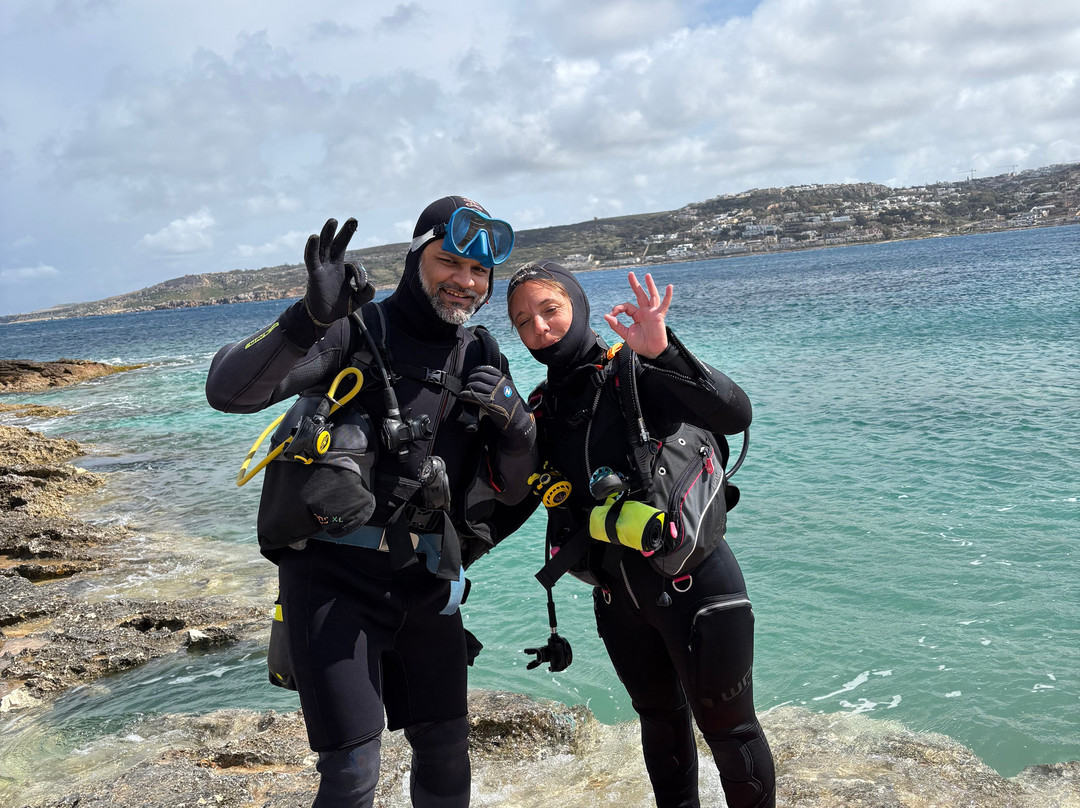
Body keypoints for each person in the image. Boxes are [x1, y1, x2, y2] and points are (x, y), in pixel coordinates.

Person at [205, 196, 537, 807]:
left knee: (446, 749)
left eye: (479, 272)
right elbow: (228, 391)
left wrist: (520, 432)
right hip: (333, 582)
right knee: (353, 770)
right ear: (416, 260)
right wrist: (307, 317)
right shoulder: (355, 330)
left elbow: (514, 490)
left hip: (427, 581)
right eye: (449, 262)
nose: (465, 281)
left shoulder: (482, 354)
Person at [506, 261, 775, 808]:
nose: (539, 328)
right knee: (659, 723)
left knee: (729, 731)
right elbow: (515, 502)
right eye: (523, 321)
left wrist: (664, 351)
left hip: (695, 587)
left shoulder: (634, 372)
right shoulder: (543, 409)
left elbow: (734, 412)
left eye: (549, 310)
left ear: (578, 307)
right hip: (616, 599)